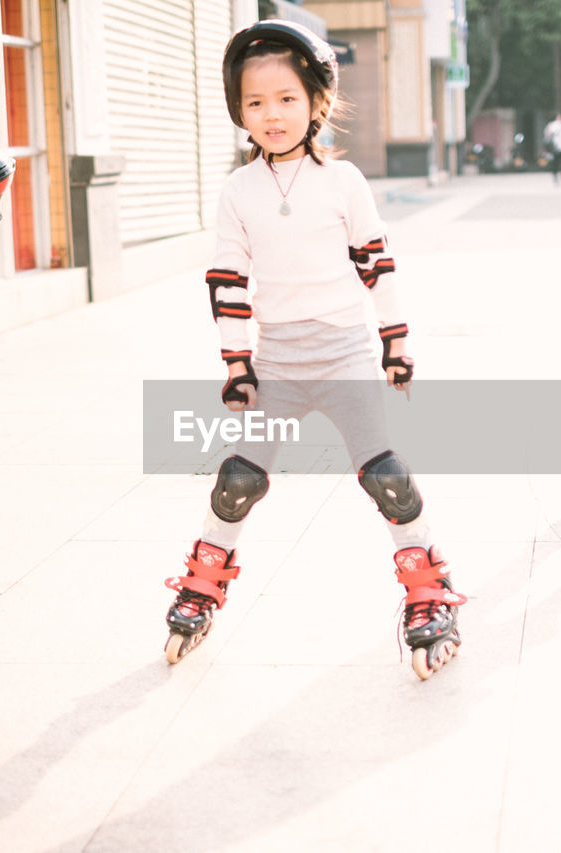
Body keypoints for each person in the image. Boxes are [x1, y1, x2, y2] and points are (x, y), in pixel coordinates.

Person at [162, 20, 465, 680]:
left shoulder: (344, 180)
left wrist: (396, 344)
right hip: (276, 365)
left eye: (287, 98)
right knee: (238, 479)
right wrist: (237, 361)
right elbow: (228, 279)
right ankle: (204, 581)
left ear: (316, 102)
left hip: (345, 358)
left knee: (385, 475)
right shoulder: (238, 190)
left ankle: (427, 588)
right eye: (255, 102)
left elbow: (377, 265)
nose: (272, 114)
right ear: (238, 110)